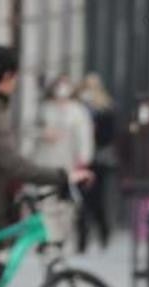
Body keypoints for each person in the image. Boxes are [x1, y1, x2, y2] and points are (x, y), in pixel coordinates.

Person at [0, 47, 90, 287]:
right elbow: (12, 162)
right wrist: (62, 176)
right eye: (15, 77)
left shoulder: (0, 108)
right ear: (6, 77)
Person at [31, 74, 94, 248]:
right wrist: (43, 134)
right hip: (44, 161)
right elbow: (30, 129)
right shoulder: (45, 108)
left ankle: (60, 238)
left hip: (67, 164)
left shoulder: (77, 111)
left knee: (64, 204)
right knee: (44, 201)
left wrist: (83, 160)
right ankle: (46, 238)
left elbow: (85, 137)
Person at [76, 73, 118, 252]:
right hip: (79, 160)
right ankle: (82, 240)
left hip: (98, 160)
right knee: (80, 202)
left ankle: (103, 232)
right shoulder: (78, 108)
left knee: (96, 201)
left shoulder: (105, 109)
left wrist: (95, 130)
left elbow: (109, 136)